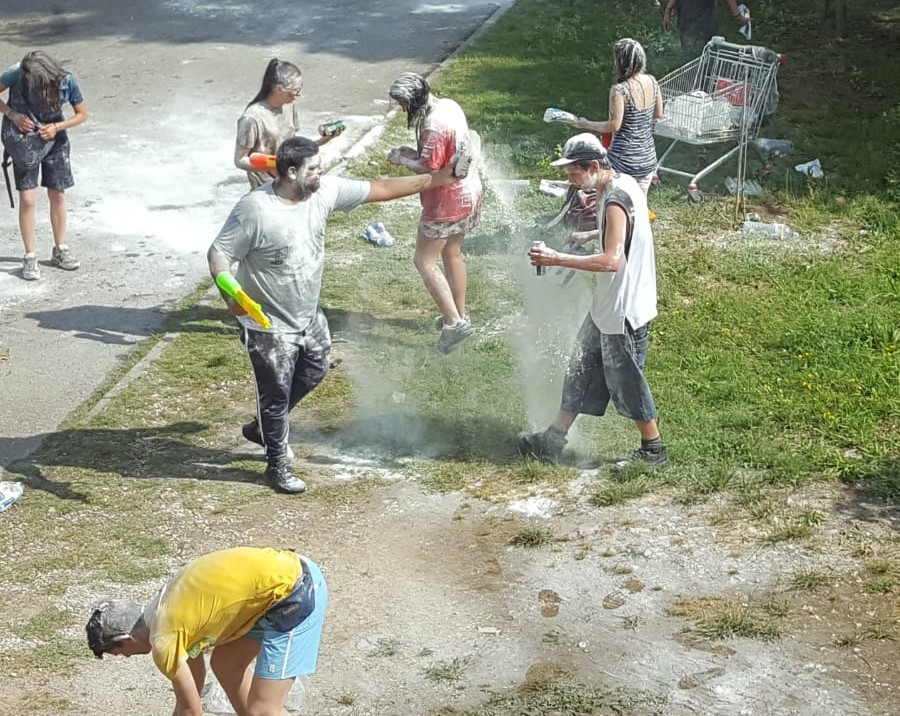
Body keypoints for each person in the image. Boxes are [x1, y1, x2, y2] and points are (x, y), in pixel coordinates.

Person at [208, 136, 459, 494]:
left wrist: (442, 178)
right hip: (267, 325)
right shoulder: (255, 211)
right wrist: (230, 293)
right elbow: (218, 254)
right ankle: (277, 464)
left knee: (315, 370)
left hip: (308, 314)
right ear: (291, 172)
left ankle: (263, 427)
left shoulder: (323, 193)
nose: (321, 175)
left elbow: (382, 188)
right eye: (314, 169)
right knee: (275, 395)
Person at [516, 134, 668, 468]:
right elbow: (626, 232)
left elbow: (612, 260)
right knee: (581, 369)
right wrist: (588, 235)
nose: (570, 181)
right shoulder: (623, 182)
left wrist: (556, 258)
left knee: (626, 380)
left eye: (573, 174)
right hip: (608, 306)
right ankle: (553, 440)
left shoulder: (613, 199)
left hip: (623, 310)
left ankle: (653, 449)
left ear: (594, 167)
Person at [86, 546, 326, 716]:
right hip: (275, 584)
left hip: (294, 591)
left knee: (263, 709)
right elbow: (192, 690)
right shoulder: (162, 609)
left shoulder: (163, 640)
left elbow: (192, 711)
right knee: (226, 664)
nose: (126, 656)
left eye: (119, 652)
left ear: (124, 638)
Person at [387, 72, 483, 354]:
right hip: (470, 193)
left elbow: (431, 169)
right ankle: (460, 314)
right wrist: (414, 153)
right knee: (452, 252)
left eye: (403, 104)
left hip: (447, 201)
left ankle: (454, 324)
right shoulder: (449, 106)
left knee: (424, 260)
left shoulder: (432, 125)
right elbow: (441, 156)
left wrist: (401, 158)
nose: (402, 109)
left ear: (412, 99)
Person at [0, 51, 88, 281]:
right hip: (23, 143)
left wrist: (58, 127)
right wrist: (12, 114)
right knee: (28, 200)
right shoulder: (17, 74)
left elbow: (82, 115)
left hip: (55, 140)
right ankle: (30, 255)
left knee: (57, 194)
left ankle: (61, 248)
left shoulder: (67, 81)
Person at [567, 39, 663, 198]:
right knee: (639, 205)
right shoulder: (652, 81)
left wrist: (585, 124)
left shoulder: (620, 90)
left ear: (620, 62)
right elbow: (658, 114)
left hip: (622, 160)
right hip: (647, 159)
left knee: (609, 201)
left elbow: (614, 125)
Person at [235, 58, 342, 189]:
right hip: (266, 189)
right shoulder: (251, 118)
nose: (299, 94)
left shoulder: (289, 105)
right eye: (296, 90)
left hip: (292, 184)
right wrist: (274, 164)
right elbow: (240, 160)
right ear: (279, 89)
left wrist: (325, 139)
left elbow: (294, 149)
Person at [663, 0, 750, 59]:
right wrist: (739, 17)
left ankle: (696, 83)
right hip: (702, 26)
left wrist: (668, 10)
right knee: (703, 65)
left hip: (687, 23)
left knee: (692, 64)